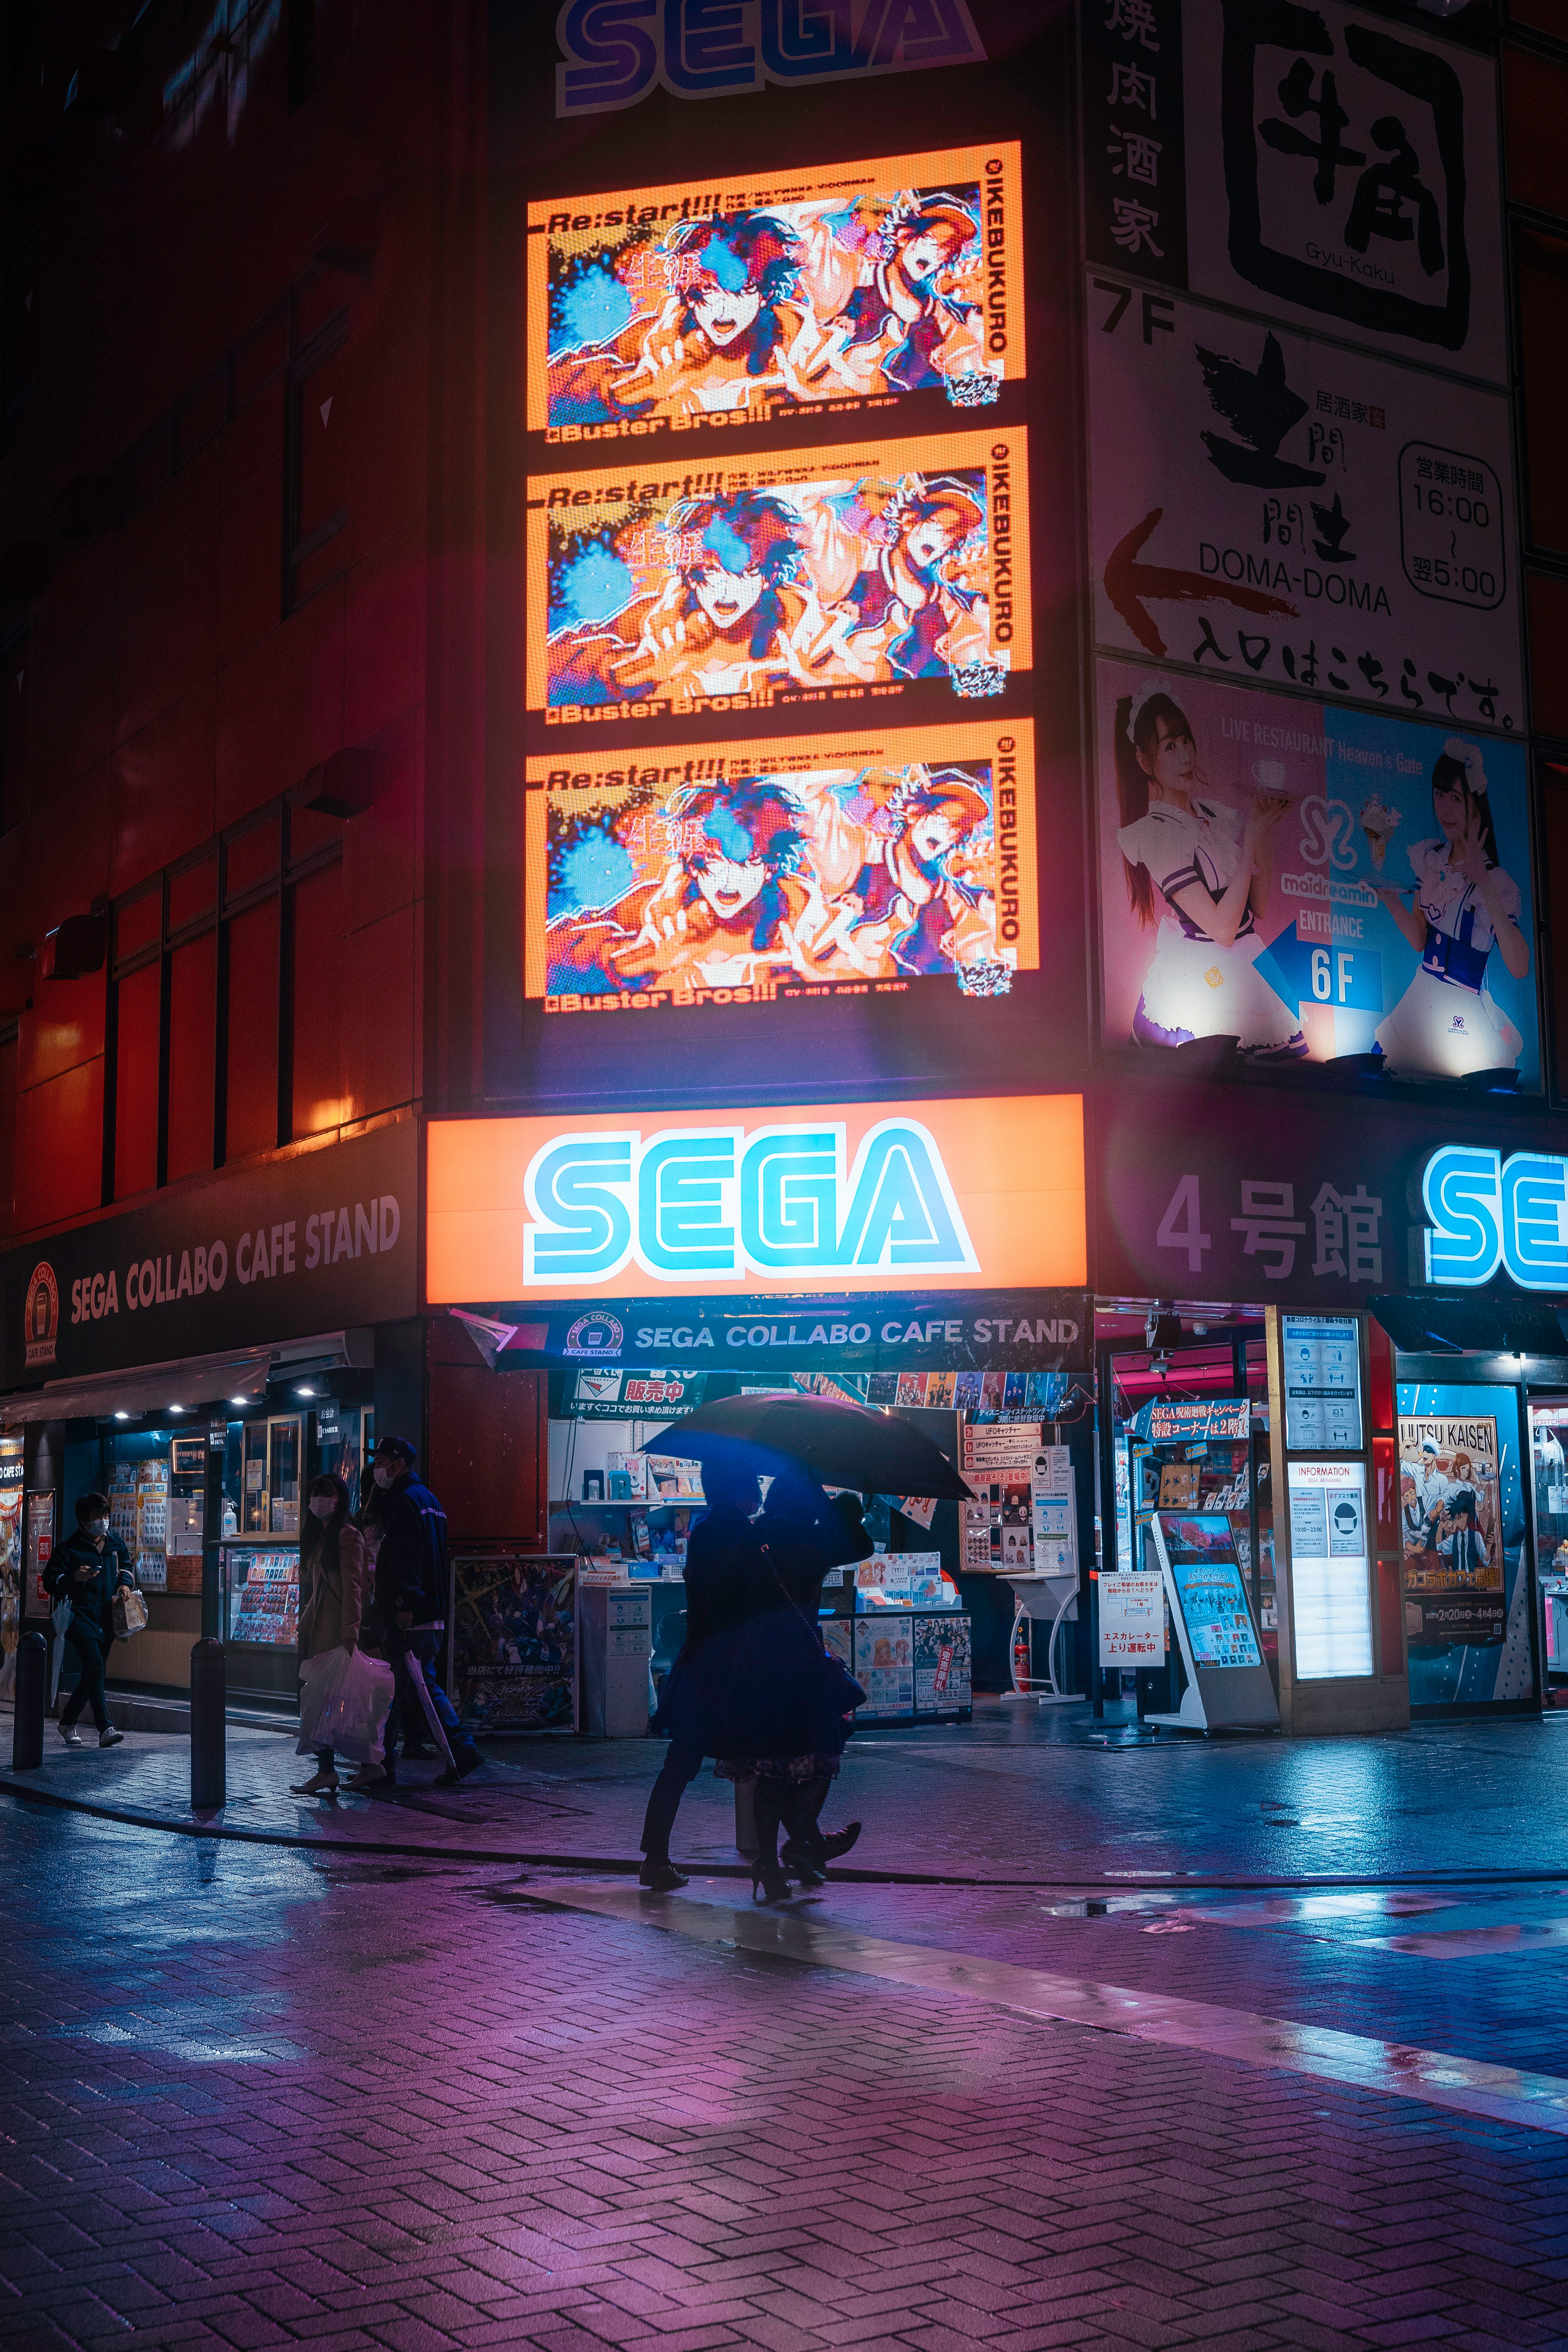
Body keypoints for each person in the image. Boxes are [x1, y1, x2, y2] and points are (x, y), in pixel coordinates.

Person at [1114, 686, 1303, 1056]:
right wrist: (1251, 839)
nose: (1186, 755)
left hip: (1248, 965)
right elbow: (1222, 929)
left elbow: (1257, 908)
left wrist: (1261, 827)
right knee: (1210, 1081)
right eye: (1170, 747)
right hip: (1199, 977)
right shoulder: (1155, 834)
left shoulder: (1216, 815)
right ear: (1143, 761)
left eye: (1186, 742)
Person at [639, 1459, 766, 1893]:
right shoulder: (745, 1538)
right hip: (733, 1670)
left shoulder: (705, 1533)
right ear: (739, 1492)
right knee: (765, 1762)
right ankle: (775, 1857)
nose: (758, 1495)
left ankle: (655, 1857)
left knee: (679, 1765)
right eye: (751, 1486)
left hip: (700, 1666)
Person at [1372, 737, 1529, 1079]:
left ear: (1476, 806)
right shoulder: (1430, 860)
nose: (1445, 809)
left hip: (1463, 1012)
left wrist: (1484, 884)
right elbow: (1419, 940)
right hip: (1423, 996)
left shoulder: (1497, 881)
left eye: (1456, 799)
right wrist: (1390, 901)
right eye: (1439, 796)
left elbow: (1519, 966)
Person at [752, 1470, 871, 1885]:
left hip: (761, 1664)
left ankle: (770, 1859)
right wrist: (831, 1505)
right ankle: (805, 1842)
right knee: (821, 1755)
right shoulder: (813, 1543)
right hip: (802, 1664)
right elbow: (862, 1544)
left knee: (770, 1767)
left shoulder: (756, 1537)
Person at [368, 1435, 483, 1787]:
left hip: (411, 1616)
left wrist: (404, 1606)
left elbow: (407, 1559)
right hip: (431, 1612)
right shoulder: (430, 1501)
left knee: (405, 1690)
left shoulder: (403, 1502)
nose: (378, 1468)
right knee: (415, 1688)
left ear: (398, 1463)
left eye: (382, 1461)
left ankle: (456, 1751)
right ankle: (389, 1764)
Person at [292, 1473, 373, 1797]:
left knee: (332, 1701)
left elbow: (355, 1588)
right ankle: (333, 1769)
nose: (318, 1501)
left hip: (338, 1632)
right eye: (314, 1493)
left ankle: (339, 1769)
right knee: (323, 1699)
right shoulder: (322, 1534)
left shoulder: (346, 1535)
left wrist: (350, 1635)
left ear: (339, 1498)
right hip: (320, 1628)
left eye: (325, 1494)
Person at [44, 1492, 135, 1748]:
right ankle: (105, 1728)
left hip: (108, 1616)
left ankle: (68, 1721)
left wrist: (125, 1585)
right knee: (95, 1667)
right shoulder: (68, 1549)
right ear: (83, 1522)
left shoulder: (115, 1543)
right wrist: (73, 1577)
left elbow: (127, 1567)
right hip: (80, 1616)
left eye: (105, 1516)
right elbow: (50, 1581)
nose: (103, 1522)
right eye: (97, 1518)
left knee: (94, 1672)